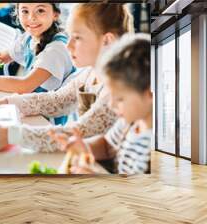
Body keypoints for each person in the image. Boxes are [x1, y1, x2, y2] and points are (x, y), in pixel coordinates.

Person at [0, 3, 134, 152]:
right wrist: (8, 102)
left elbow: (80, 133)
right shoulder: (90, 73)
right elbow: (58, 100)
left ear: (106, 40)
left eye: (77, 38)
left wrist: (12, 135)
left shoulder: (117, 89)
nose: (68, 45)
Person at [52, 34, 152, 175]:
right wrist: (85, 147)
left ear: (150, 94)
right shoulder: (128, 123)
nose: (112, 104)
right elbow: (107, 145)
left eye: (120, 99)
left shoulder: (151, 149)